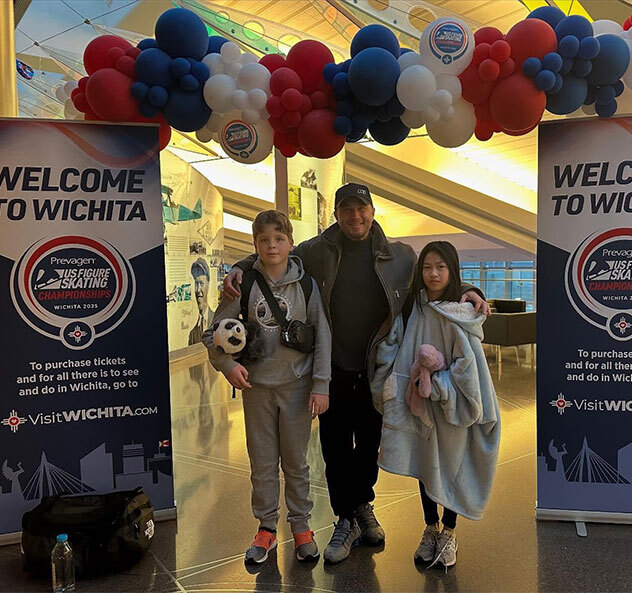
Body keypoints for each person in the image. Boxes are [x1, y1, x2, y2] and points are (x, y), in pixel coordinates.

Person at [224, 183, 489, 564]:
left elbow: (434, 280)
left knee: (368, 447)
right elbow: (275, 255)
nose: (355, 217)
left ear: (373, 210)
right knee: (333, 450)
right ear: (336, 214)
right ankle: (344, 519)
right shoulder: (316, 250)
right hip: (330, 368)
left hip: (376, 370)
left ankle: (363, 505)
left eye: (361, 209)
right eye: (347, 210)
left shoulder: (399, 255)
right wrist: (240, 265)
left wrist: (472, 289)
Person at [203, 210, 332, 565]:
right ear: (255, 244)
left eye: (279, 239)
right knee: (261, 461)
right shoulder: (242, 285)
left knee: (296, 461)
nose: (272, 245)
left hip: (296, 386)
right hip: (256, 388)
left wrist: (321, 385)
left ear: (291, 243)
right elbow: (212, 332)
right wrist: (227, 365)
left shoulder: (307, 286)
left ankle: (301, 524)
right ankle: (266, 527)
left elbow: (323, 335)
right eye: (264, 240)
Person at [371, 241, 500, 568]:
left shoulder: (460, 311)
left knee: (451, 463)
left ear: (452, 270)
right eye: (427, 267)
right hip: (418, 400)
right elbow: (394, 340)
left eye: (441, 267)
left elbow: (467, 366)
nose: (433, 273)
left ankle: (449, 531)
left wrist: (441, 386)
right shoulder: (413, 306)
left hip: (450, 404)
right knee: (425, 464)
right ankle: (430, 528)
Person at [189, 258, 214, 346]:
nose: (198, 290)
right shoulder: (192, 334)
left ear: (208, 285)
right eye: (196, 284)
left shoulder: (218, 321)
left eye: (201, 284)